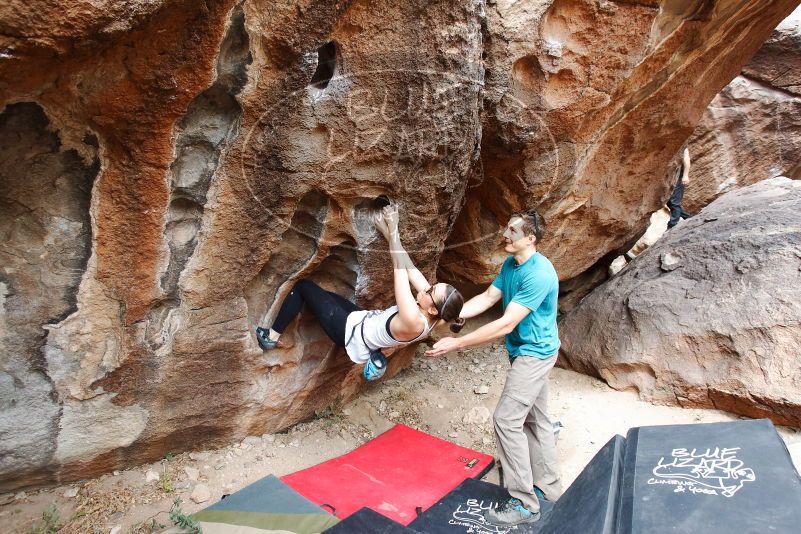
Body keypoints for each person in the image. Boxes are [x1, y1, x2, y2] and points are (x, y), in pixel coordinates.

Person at [426, 208, 561, 526]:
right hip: (526, 350)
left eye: (512, 231)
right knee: (536, 421)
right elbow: (488, 297)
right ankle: (548, 489)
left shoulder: (539, 273)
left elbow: (505, 323)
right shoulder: (512, 264)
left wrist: (457, 343)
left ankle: (525, 503)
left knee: (506, 420)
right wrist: (457, 314)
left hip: (534, 354)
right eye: (506, 228)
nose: (504, 235)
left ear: (530, 238)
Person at [255, 205, 465, 380]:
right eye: (431, 286)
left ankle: (271, 336)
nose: (426, 288)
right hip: (362, 320)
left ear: (433, 309)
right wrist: (387, 231)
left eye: (430, 291)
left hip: (349, 332)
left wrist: (394, 229)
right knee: (324, 297)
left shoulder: (413, 317)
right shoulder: (433, 314)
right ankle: (374, 354)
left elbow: (399, 268)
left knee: (302, 287)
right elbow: (409, 266)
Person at [667, 146, 693, 228]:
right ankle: (688, 217)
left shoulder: (683, 146)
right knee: (669, 202)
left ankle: (673, 223)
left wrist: (685, 176)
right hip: (671, 176)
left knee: (674, 202)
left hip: (679, 176)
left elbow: (686, 159)